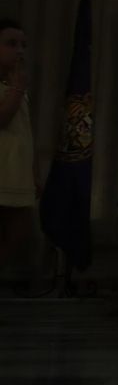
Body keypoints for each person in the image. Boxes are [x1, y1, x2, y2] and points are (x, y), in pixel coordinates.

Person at [0, 18, 38, 275]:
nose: (20, 51)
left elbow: (25, 131)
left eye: (23, 44)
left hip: (17, 168)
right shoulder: (15, 88)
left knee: (19, 230)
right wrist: (16, 89)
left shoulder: (15, 86)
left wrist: (34, 173)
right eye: (11, 44)